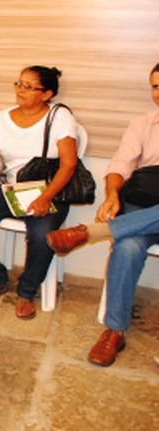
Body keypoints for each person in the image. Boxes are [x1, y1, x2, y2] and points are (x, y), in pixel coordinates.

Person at [46, 63, 159, 366]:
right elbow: (121, 165)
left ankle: (93, 232)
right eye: (155, 86)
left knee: (122, 235)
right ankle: (115, 330)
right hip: (145, 203)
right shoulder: (143, 124)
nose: (158, 93)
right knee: (127, 245)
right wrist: (112, 194)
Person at [0, 66, 79, 320]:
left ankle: (26, 291)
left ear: (47, 93)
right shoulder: (2, 118)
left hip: (50, 190)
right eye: (19, 84)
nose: (20, 90)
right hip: (11, 187)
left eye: (29, 86)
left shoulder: (60, 118)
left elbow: (69, 164)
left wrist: (45, 197)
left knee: (41, 234)